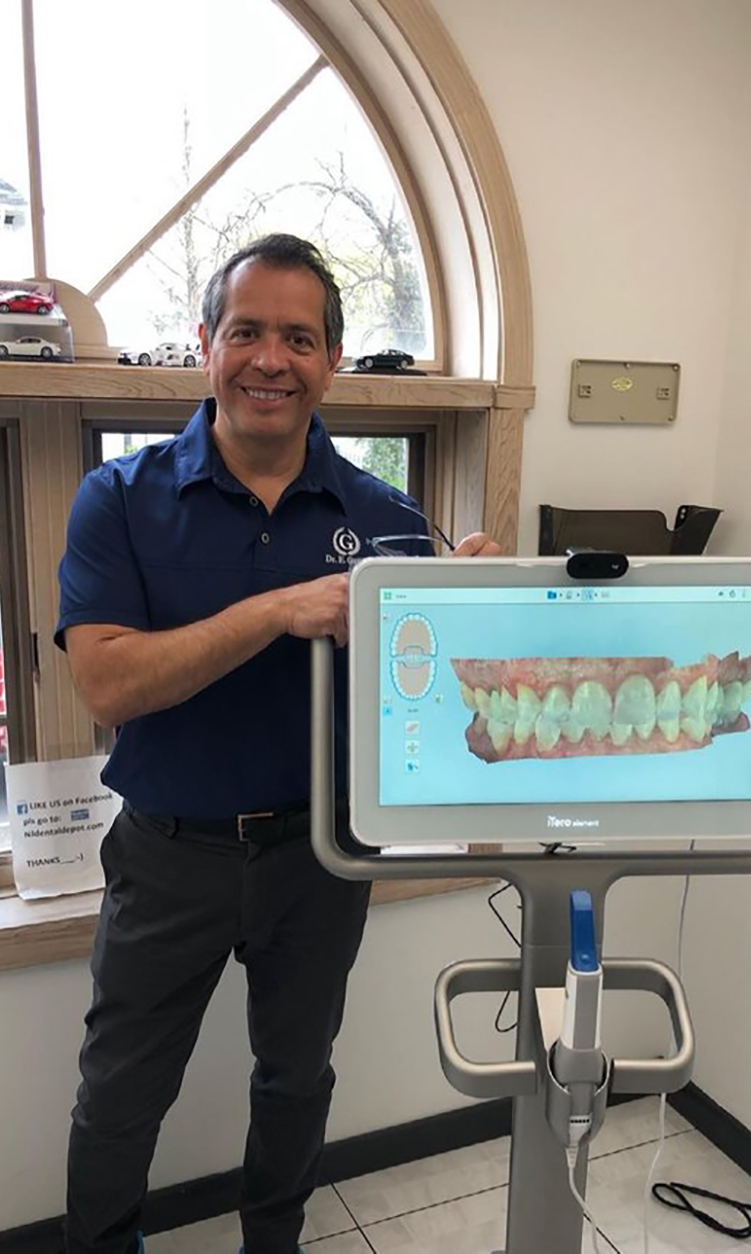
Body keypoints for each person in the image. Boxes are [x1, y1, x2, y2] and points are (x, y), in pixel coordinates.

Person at [56, 234, 502, 1254]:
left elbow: (432, 702)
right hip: (169, 856)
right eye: (248, 331)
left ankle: (275, 1243)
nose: (271, 359)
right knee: (121, 1092)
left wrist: (475, 608)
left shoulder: (385, 515)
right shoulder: (119, 501)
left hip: (321, 854)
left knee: (297, 1077)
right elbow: (107, 681)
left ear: (330, 362)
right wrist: (276, 611)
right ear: (205, 342)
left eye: (299, 338)